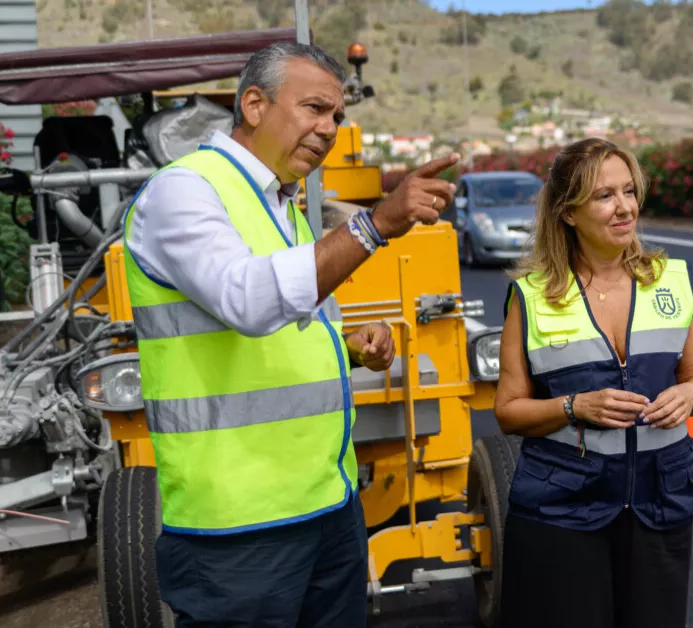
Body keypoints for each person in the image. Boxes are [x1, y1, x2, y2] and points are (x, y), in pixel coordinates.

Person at [121, 41, 459, 627]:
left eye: (337, 116)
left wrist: (349, 346)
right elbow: (248, 301)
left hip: (326, 507)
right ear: (254, 104)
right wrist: (375, 224)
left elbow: (282, 331)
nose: (329, 129)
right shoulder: (185, 190)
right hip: (238, 529)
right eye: (314, 108)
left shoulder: (282, 205)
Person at [492, 137, 693, 628]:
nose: (625, 207)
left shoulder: (673, 280)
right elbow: (508, 411)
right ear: (568, 212)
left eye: (629, 191)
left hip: (659, 503)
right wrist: (574, 406)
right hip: (563, 511)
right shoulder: (531, 297)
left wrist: (689, 394)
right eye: (604, 196)